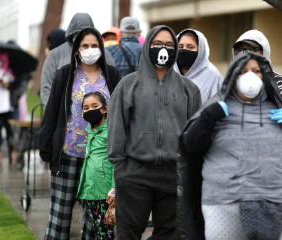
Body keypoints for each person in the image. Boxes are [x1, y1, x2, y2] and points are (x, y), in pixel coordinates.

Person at [107, 25, 202, 240]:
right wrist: (121, 170)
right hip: (134, 174)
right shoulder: (128, 85)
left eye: (169, 45)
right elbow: (116, 130)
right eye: (157, 44)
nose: (163, 49)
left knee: (169, 234)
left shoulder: (189, 89)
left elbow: (194, 134)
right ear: (147, 45)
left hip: (173, 174)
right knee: (128, 233)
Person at [178, 52, 282, 240]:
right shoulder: (216, 107)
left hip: (269, 201)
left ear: (265, 75)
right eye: (243, 71)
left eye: (256, 71)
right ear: (233, 77)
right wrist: (208, 118)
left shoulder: (277, 110)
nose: (250, 75)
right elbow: (191, 146)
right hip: (222, 201)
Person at [38, 27, 121, 240]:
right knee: (60, 215)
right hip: (67, 155)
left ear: (101, 48)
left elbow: (121, 114)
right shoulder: (65, 74)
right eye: (85, 46)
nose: (90, 49)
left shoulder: (111, 75)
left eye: (94, 45)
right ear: (77, 49)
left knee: (96, 221)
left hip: (100, 159)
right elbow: (52, 112)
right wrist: (46, 150)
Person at [40, 13, 115, 110]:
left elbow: (114, 88)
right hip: (65, 116)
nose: (82, 37)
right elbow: (47, 89)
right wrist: (53, 115)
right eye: (78, 34)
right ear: (71, 35)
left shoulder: (105, 55)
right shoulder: (55, 55)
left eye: (86, 33)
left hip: (100, 117)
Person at [77, 91, 115, 240]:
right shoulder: (90, 130)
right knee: (99, 230)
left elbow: (115, 161)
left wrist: (113, 188)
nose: (90, 110)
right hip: (91, 190)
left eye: (95, 106)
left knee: (106, 231)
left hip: (105, 192)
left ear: (105, 109)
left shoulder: (110, 131)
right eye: (86, 108)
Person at [174, 29, 223, 104]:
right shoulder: (168, 72)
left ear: (200, 50)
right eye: (180, 47)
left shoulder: (213, 77)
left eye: (190, 47)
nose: (184, 50)